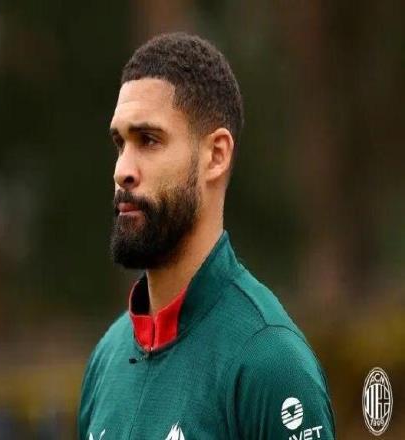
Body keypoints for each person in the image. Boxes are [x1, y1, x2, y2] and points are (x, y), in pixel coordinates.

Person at [78, 32, 335, 440]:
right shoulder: (106, 360)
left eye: (148, 140)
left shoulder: (270, 363)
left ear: (216, 155)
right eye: (120, 143)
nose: (122, 169)